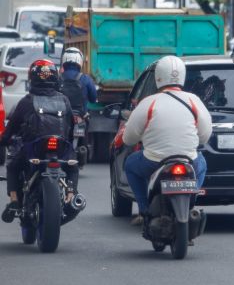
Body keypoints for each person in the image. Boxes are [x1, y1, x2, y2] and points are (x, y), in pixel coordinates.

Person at [117, 56, 212, 225]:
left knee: (131, 164)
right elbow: (204, 136)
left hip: (153, 161)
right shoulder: (194, 101)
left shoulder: (148, 103)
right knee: (202, 163)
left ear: (158, 77)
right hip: (189, 160)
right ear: (182, 76)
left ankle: (144, 210)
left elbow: (129, 139)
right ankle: (191, 200)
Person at [1, 59, 76, 223]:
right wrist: (68, 146)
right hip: (61, 147)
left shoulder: (26, 101)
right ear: (55, 78)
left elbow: (11, 128)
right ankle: (71, 197)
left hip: (33, 149)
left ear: (32, 78)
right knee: (72, 165)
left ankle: (14, 201)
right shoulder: (64, 100)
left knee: (13, 165)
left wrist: (4, 140)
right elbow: (71, 126)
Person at [60, 47, 97, 114]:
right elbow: (93, 99)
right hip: (80, 115)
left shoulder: (58, 78)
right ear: (80, 60)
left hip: (62, 115)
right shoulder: (86, 79)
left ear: (63, 60)